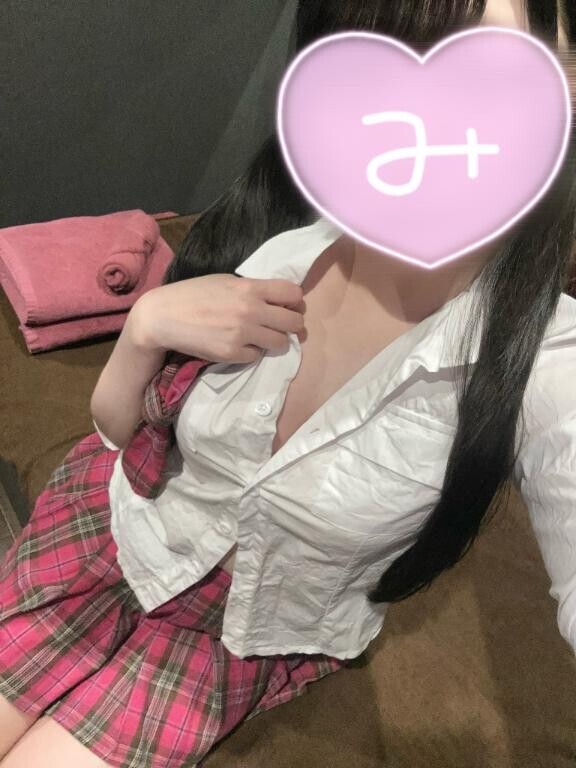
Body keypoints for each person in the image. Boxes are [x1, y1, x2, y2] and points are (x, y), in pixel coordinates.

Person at [0, 1, 574, 766]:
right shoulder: (278, 240)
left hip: (231, 637)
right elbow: (114, 433)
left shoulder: (546, 357)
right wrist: (144, 328)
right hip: (108, 535)